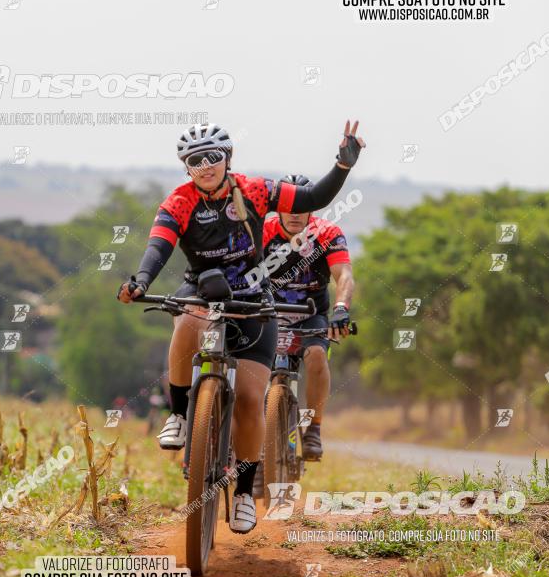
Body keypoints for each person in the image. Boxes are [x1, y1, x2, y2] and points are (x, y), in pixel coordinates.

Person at [117, 121, 365, 533]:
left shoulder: (255, 190)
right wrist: (141, 281)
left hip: (252, 297)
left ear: (227, 158)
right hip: (203, 287)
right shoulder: (177, 203)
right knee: (186, 321)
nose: (205, 166)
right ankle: (179, 416)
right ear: (186, 167)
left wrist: (342, 164)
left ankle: (246, 491)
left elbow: (313, 197)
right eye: (195, 161)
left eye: (213, 157)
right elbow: (158, 247)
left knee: (251, 399)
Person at [262, 174, 355, 460]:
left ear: (312, 207)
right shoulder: (261, 230)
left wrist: (341, 308)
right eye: (288, 205)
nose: (294, 212)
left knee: (316, 354)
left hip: (310, 315)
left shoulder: (326, 233)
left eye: (302, 205)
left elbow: (344, 275)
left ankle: (313, 427)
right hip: (267, 312)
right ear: (278, 207)